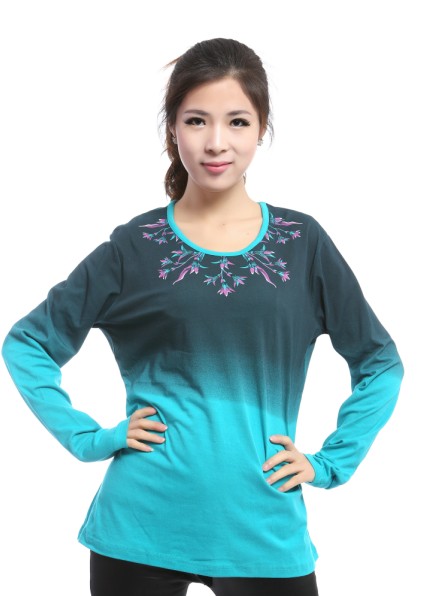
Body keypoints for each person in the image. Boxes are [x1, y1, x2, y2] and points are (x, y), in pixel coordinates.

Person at [2, 37, 404, 596]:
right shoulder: (135, 246)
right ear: (172, 129)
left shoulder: (302, 243)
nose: (217, 142)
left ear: (262, 128)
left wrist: (330, 461)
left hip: (263, 528)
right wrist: (90, 438)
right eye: (196, 121)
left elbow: (381, 363)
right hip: (138, 527)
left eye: (237, 122)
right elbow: (27, 344)